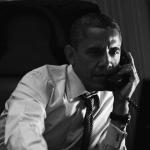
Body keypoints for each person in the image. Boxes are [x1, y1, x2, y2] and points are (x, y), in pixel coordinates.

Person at [0, 13, 139, 150]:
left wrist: (121, 107)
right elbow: (22, 138)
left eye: (114, 51)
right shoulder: (40, 81)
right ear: (71, 55)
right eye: (95, 52)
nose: (107, 63)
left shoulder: (112, 95)